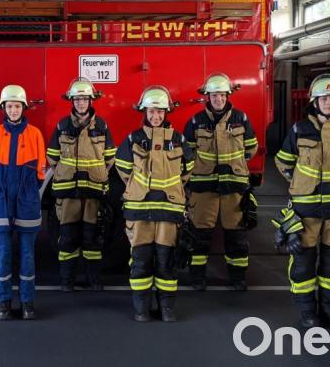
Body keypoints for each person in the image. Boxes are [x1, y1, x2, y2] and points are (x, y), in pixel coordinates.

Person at [273, 73, 330, 328]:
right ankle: (307, 313)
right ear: (315, 102)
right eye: (324, 98)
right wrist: (301, 182)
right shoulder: (299, 130)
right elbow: (283, 161)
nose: (329, 102)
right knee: (303, 265)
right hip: (306, 209)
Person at [114, 85, 194, 323]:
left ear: (166, 112)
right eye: (151, 111)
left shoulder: (179, 139)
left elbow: (187, 169)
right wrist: (139, 189)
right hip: (140, 211)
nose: (155, 116)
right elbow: (123, 169)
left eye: (159, 111)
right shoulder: (133, 138)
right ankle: (142, 310)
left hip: (168, 212)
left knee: (165, 261)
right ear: (144, 112)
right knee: (140, 260)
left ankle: (167, 309)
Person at [183, 73, 258, 291]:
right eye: (214, 95)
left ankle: (238, 278)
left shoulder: (241, 119)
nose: (218, 99)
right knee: (199, 235)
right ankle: (197, 278)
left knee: (236, 236)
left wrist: (235, 167)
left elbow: (250, 148)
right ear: (208, 97)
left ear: (227, 96)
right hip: (203, 187)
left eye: (222, 95)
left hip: (233, 188)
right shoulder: (196, 121)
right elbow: (187, 154)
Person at [0, 85, 46, 321]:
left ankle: (28, 302)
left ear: (23, 107)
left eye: (17, 106)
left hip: (26, 200)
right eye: (9, 106)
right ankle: (4, 302)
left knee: (28, 254)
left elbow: (41, 172)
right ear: (3, 108)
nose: (13, 110)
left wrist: (29, 192)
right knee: (3, 253)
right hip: (0, 200)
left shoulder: (35, 134)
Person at [46, 78, 115, 292]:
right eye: (78, 99)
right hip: (68, 192)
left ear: (91, 100)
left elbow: (110, 158)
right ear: (72, 101)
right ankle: (67, 281)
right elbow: (52, 158)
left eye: (85, 99)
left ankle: (94, 279)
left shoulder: (102, 126)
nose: (81, 103)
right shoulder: (62, 126)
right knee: (67, 237)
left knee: (91, 238)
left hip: (93, 191)